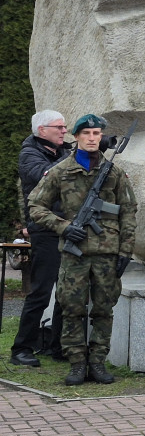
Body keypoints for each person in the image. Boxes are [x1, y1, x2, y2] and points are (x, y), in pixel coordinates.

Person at [26, 114, 138, 386]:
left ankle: (97, 363)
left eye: (96, 134)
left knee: (103, 310)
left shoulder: (113, 173)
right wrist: (63, 227)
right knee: (72, 309)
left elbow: (128, 212)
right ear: (75, 137)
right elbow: (36, 207)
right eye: (86, 133)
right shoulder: (61, 171)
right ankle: (77, 364)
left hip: (107, 255)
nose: (91, 138)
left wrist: (125, 252)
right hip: (74, 253)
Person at [12, 110, 72, 366]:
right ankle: (21, 349)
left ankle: (56, 345)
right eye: (58, 127)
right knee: (41, 291)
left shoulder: (64, 152)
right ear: (42, 130)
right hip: (45, 228)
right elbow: (47, 176)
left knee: (66, 291)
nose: (64, 131)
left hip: (68, 227)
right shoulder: (29, 154)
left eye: (65, 127)